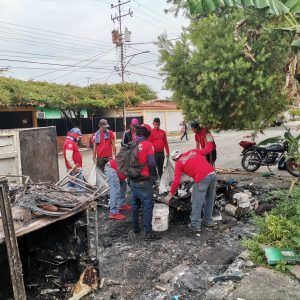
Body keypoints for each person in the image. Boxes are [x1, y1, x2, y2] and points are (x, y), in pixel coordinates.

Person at [163, 149, 217, 232]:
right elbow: (206, 150)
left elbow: (176, 180)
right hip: (213, 174)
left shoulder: (179, 163)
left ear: (174, 159)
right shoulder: (192, 151)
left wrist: (170, 195)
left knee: (197, 202)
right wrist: (210, 141)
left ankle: (195, 225)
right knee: (209, 199)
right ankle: (208, 221)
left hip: (202, 178)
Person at [130, 124, 160, 241]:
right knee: (148, 206)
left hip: (133, 180)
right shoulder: (148, 144)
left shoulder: (133, 144)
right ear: (147, 134)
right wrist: (155, 177)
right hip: (144, 180)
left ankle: (136, 229)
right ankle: (148, 233)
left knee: (135, 205)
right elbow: (152, 163)